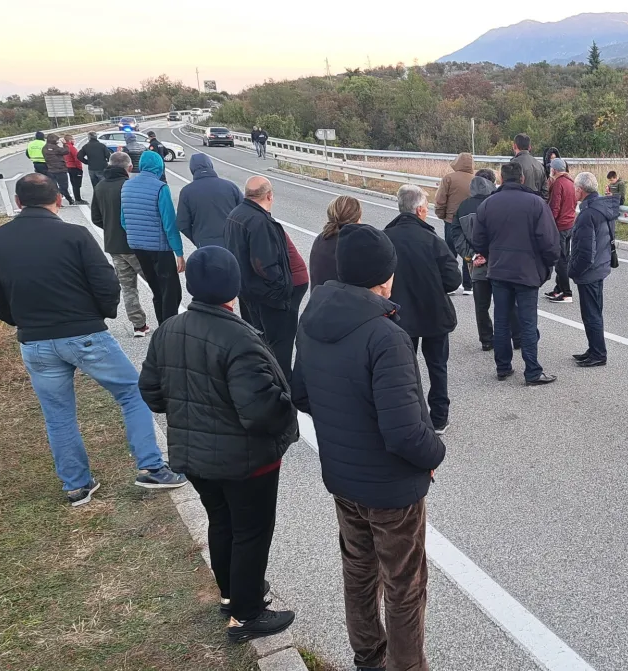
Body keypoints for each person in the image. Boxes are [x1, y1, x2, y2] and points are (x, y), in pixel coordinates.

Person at [0, 174, 187, 506]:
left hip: (35, 342)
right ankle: (150, 467)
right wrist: (99, 314)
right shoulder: (74, 235)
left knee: (57, 413)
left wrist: (21, 320)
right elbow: (106, 283)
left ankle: (77, 485)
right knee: (133, 392)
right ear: (58, 199)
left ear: (18, 202)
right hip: (84, 333)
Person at [290, 223, 445, 671]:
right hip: (392, 489)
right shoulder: (385, 335)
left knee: (359, 572)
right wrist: (435, 454)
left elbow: (302, 395)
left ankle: (368, 658)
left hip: (343, 477)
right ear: (385, 277)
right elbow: (404, 433)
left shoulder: (314, 316)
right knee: (404, 584)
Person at [139, 245, 298, 644]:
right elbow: (261, 411)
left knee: (222, 522)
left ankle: (232, 594)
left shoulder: (168, 330)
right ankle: (247, 615)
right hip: (247, 460)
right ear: (234, 286)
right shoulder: (237, 337)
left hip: (193, 456)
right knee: (252, 531)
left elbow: (152, 394)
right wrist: (288, 409)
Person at [472, 162, 560, 385]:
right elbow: (549, 241)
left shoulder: (488, 204)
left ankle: (503, 367)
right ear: (522, 179)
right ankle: (532, 371)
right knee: (527, 322)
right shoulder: (536, 203)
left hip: (499, 270)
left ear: (501, 179)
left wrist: (491, 255)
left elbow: (478, 240)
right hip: (527, 272)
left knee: (501, 320)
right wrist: (548, 265)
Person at [384, 184, 462, 435]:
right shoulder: (432, 240)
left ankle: (408, 417)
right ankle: (439, 417)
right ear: (419, 210)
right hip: (434, 313)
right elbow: (453, 279)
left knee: (404, 369)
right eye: (426, 207)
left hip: (397, 314)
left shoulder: (385, 238)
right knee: (437, 365)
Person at [224, 176, 307, 384]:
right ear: (269, 195)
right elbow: (266, 264)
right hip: (271, 297)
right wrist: (283, 289)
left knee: (261, 341)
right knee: (281, 347)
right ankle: (282, 390)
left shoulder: (235, 215)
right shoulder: (260, 222)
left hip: (249, 292)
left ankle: (264, 381)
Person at [451, 170, 522, 352]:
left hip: (476, 264)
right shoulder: (498, 204)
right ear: (491, 183)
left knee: (481, 306)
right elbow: (505, 234)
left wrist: (473, 255)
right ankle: (518, 337)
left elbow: (457, 236)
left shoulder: (462, 207)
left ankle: (487, 340)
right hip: (500, 263)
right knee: (508, 302)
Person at [120, 150, 186, 322]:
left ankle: (161, 325)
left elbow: (123, 220)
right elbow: (169, 223)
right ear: (159, 166)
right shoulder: (160, 187)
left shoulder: (127, 186)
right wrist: (179, 253)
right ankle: (169, 329)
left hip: (137, 246)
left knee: (156, 289)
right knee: (171, 292)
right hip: (160, 248)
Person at [91, 152, 150, 337]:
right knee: (157, 282)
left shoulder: (100, 187)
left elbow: (96, 218)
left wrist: (110, 227)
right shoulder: (129, 186)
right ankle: (167, 319)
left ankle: (138, 325)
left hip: (114, 246)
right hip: (136, 245)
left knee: (128, 287)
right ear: (129, 167)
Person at [568, 172, 617, 368]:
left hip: (590, 271)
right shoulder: (602, 208)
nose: (574, 192)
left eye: (575, 189)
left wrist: (573, 270)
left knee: (591, 314)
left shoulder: (588, 214)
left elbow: (586, 251)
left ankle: (598, 353)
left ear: (580, 190)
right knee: (593, 312)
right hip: (600, 266)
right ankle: (594, 348)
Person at [177, 153, 242, 249]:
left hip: (205, 244)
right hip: (232, 242)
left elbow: (182, 224)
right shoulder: (230, 187)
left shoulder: (186, 192)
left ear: (192, 169)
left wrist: (197, 239)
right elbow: (244, 213)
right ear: (210, 165)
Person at [434, 152, 475, 294]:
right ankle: (468, 285)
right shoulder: (475, 179)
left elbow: (441, 199)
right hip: (470, 221)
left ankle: (451, 284)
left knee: (450, 252)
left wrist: (441, 214)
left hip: (451, 220)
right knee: (468, 252)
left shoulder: (449, 179)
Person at [309, 195, 361, 291]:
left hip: (319, 301)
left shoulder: (321, 239)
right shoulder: (357, 244)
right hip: (344, 303)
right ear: (358, 218)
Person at [545, 158, 577, 302]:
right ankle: (558, 288)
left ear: (554, 170)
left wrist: (548, 224)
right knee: (565, 257)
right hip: (569, 224)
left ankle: (566, 292)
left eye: (551, 168)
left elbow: (555, 207)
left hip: (560, 226)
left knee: (560, 261)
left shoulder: (558, 183)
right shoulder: (571, 182)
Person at [510, 133, 548, 199]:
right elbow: (545, 191)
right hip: (537, 205)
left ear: (514, 146)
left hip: (519, 205)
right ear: (529, 147)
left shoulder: (513, 165)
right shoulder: (540, 165)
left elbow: (508, 189)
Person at [43, 133, 74, 205]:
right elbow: (66, 151)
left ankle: (67, 199)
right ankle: (59, 199)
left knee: (55, 186)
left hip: (50, 169)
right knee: (64, 186)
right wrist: (65, 144)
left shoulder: (44, 148)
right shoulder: (55, 148)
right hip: (60, 169)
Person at [63, 134, 87, 205]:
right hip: (74, 167)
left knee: (73, 183)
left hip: (68, 167)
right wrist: (80, 168)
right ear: (70, 140)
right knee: (77, 184)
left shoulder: (65, 147)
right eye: (73, 139)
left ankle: (77, 198)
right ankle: (78, 199)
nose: (74, 140)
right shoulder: (71, 148)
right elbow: (77, 159)